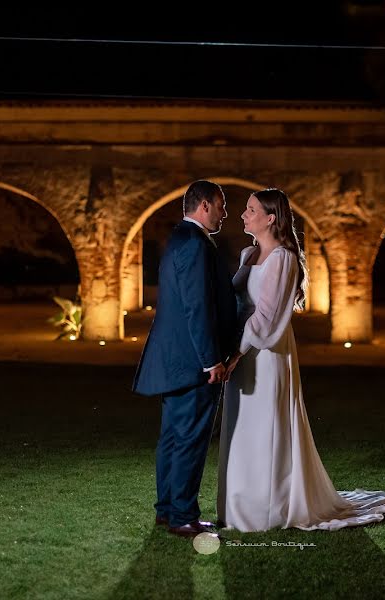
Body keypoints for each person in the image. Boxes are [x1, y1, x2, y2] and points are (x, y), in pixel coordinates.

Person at [217, 188, 385, 532]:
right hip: (243, 351)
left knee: (265, 425)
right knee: (241, 426)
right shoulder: (249, 254)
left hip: (266, 353)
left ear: (270, 218)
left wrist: (237, 352)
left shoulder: (283, 258)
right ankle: (239, 505)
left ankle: (271, 507)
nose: (242, 214)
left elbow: (266, 317)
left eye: (250, 210)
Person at [132, 180, 238, 538]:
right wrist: (212, 361)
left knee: (173, 438)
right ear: (204, 205)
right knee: (189, 440)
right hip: (193, 364)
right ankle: (182, 516)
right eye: (221, 205)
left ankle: (167, 510)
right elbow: (196, 307)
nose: (225, 213)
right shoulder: (194, 243)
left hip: (174, 360)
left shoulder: (180, 237)